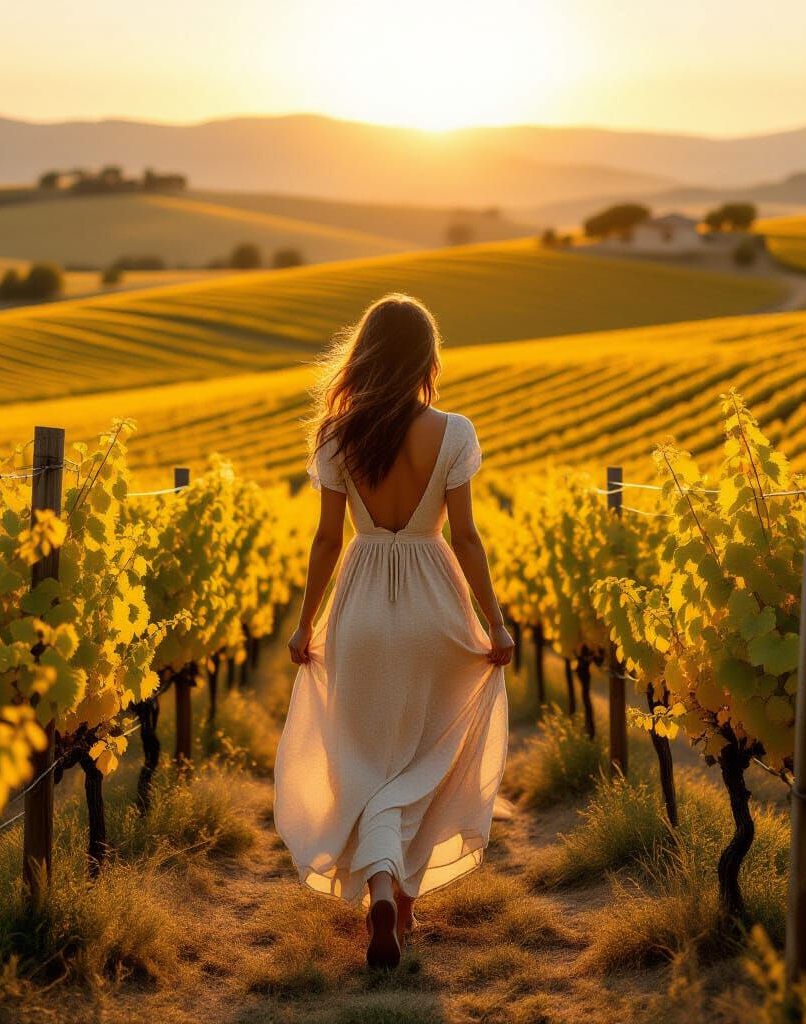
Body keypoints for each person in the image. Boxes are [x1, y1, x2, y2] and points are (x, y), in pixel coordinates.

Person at [274, 293, 512, 969]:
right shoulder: (455, 432)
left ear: (366, 355)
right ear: (426, 359)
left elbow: (325, 540)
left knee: (369, 759)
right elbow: (464, 537)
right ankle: (399, 902)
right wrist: (495, 622)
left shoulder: (335, 436)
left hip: (361, 605)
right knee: (421, 760)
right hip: (435, 603)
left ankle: (383, 889)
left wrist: (303, 625)